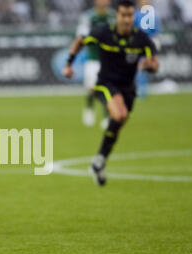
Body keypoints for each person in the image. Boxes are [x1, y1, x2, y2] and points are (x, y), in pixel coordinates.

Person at [62, 0, 159, 186]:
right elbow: (80, 40)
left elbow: (154, 64)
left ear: (134, 17)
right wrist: (69, 64)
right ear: (117, 16)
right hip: (105, 84)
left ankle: (99, 161)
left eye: (130, 16)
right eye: (123, 15)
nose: (126, 19)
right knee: (119, 114)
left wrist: (150, 66)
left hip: (128, 89)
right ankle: (93, 125)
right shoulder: (103, 32)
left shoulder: (142, 39)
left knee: (119, 121)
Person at [74, 0, 115, 128]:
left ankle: (107, 116)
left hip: (108, 59)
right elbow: (82, 36)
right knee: (92, 88)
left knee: (107, 89)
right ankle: (89, 109)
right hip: (93, 58)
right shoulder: (88, 17)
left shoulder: (113, 16)